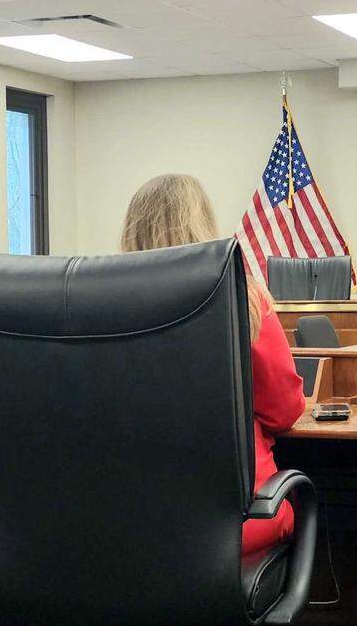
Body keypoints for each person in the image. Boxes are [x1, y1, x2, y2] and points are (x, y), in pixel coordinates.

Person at [121, 174, 305, 556]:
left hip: (128, 525)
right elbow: (284, 411)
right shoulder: (244, 299)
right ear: (203, 224)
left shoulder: (102, 304)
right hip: (235, 523)